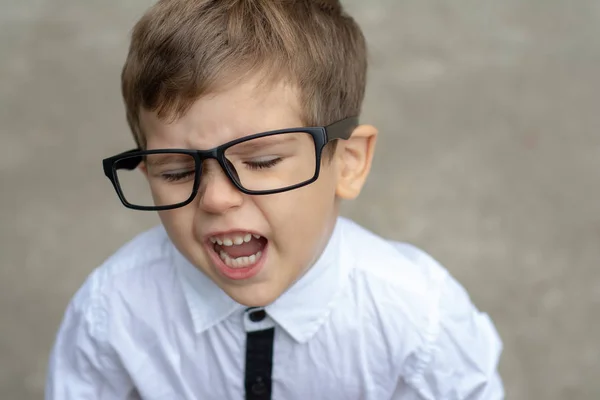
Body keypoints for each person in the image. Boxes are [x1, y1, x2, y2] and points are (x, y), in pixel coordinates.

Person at [46, 0, 504, 398]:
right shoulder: (112, 310)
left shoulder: (421, 320)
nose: (217, 199)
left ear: (347, 163)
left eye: (262, 161)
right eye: (177, 171)